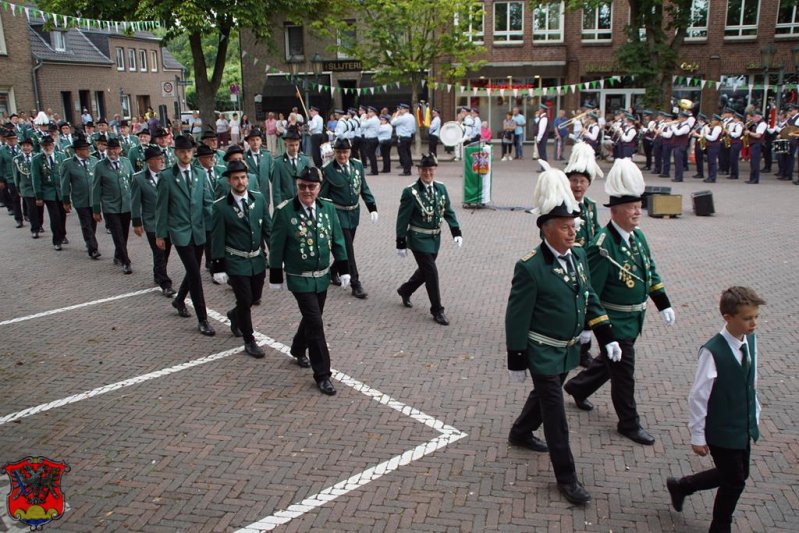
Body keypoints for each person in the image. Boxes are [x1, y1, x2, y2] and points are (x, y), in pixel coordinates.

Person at [506, 161, 620, 506]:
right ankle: (566, 478)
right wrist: (517, 358)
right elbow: (516, 315)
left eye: (574, 225)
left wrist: (607, 335)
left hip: (568, 351)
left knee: (549, 394)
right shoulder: (530, 267)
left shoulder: (580, 256)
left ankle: (521, 430)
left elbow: (590, 298)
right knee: (556, 416)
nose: (573, 232)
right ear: (548, 229)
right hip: (542, 351)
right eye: (567, 227)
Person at [563, 158, 675, 446]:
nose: (638, 210)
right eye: (631, 206)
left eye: (639, 205)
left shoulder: (637, 237)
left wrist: (663, 303)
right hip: (612, 323)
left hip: (633, 319)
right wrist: (590, 327)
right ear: (614, 211)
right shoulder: (602, 246)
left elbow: (649, 271)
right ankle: (629, 423)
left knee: (611, 363)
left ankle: (578, 387)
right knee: (624, 374)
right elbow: (590, 290)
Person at [666, 286, 765, 533]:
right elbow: (699, 396)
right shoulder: (713, 352)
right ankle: (720, 526)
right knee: (734, 481)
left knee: (734, 473)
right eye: (747, 318)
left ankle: (682, 486)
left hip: (742, 426)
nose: (753, 323)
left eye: (755, 317)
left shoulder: (750, 341)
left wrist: (754, 414)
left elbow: (750, 381)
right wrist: (697, 435)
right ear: (728, 318)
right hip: (721, 429)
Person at [269, 166, 349, 396]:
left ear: (319, 187)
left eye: (311, 187)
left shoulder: (328, 209)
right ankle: (322, 373)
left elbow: (338, 240)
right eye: (302, 186)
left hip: (322, 276)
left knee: (313, 318)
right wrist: (276, 274)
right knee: (315, 322)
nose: (306, 191)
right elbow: (277, 246)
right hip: (299, 278)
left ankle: (297, 348)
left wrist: (344, 269)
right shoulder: (285, 212)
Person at [210, 160, 272, 358]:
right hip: (235, 260)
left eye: (243, 177)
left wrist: (278, 255)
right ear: (229, 181)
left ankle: (234, 315)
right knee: (244, 300)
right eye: (236, 178)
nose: (240, 181)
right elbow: (217, 237)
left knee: (254, 297)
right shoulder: (221, 207)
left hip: (257, 259)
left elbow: (268, 229)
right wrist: (218, 265)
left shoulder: (259, 199)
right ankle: (249, 340)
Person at [155, 135, 215, 337]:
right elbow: (161, 207)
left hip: (198, 230)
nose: (186, 155)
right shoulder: (166, 177)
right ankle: (203, 319)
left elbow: (207, 202)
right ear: (175, 153)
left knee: (193, 270)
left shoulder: (199, 173)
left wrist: (215, 224)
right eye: (182, 152)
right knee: (195, 274)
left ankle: (179, 300)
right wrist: (160, 234)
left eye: (189, 151)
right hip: (179, 232)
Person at [395, 153, 462, 326]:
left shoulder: (441, 188)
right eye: (424, 170)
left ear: (435, 170)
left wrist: (456, 231)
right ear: (419, 170)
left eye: (431, 169)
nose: (428, 173)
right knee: (431, 273)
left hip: (434, 239)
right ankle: (437, 310)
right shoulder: (410, 192)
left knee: (425, 272)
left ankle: (405, 290)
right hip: (418, 239)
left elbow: (447, 211)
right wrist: (400, 241)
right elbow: (402, 218)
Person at [320, 138, 378, 299]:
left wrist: (372, 207)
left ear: (350, 152)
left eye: (345, 152)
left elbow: (363, 187)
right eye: (339, 152)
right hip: (338, 215)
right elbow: (322, 196)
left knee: (346, 247)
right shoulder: (328, 170)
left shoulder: (357, 166)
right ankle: (355, 283)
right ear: (334, 153)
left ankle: (333, 272)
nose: (342, 155)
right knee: (349, 250)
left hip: (353, 213)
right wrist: (322, 217)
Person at [563, 142, 604, 368]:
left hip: (588, 265)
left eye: (582, 181)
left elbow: (595, 230)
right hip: (568, 263)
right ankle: (571, 347)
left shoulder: (590, 205)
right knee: (573, 307)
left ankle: (584, 350)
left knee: (589, 305)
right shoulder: (563, 203)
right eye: (574, 180)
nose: (578, 185)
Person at [132, 146, 175, 297]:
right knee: (159, 251)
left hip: (167, 221)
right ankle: (165, 283)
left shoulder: (167, 176)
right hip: (151, 222)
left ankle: (158, 273)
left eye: (162, 158)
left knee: (166, 251)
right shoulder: (139, 178)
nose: (162, 161)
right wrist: (137, 223)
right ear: (149, 162)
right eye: (158, 159)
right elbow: (135, 202)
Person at [92, 138, 134, 274]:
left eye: (115, 149)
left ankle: (118, 254)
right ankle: (125, 261)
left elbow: (133, 182)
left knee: (125, 233)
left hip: (126, 205)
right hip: (110, 206)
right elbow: (96, 188)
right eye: (110, 149)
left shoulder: (126, 162)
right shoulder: (100, 166)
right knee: (117, 234)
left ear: (120, 149)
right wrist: (96, 209)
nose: (113, 152)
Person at [61, 136, 101, 259]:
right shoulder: (68, 164)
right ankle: (93, 248)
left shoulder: (94, 160)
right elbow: (65, 183)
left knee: (93, 223)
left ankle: (90, 241)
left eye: (88, 148)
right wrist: (66, 200)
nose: (88, 151)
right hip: (80, 199)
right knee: (86, 224)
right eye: (85, 149)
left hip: (93, 199)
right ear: (77, 151)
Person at [32, 136, 68, 250]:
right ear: (42, 147)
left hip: (61, 191)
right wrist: (39, 196)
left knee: (63, 215)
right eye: (45, 146)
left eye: (49, 145)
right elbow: (36, 178)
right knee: (55, 216)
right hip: (48, 192)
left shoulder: (61, 156)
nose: (48, 148)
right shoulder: (37, 159)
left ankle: (62, 234)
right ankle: (57, 240)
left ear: (53, 145)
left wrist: (68, 192)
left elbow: (66, 175)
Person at [270, 126, 307, 206]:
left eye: (297, 145)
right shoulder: (278, 163)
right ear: (285, 144)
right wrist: (278, 207)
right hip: (286, 203)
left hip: (303, 203)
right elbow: (276, 189)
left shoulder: (305, 160)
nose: (294, 148)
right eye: (291, 145)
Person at [13, 137, 40, 236]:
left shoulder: (37, 157)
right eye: (24, 146)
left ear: (32, 147)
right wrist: (18, 187)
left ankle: (39, 224)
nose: (26, 148)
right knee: (31, 209)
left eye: (28, 146)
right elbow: (16, 175)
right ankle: (34, 229)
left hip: (37, 186)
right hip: (26, 187)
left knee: (39, 208)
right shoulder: (17, 159)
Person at [0, 130, 24, 227]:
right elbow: (0, 166)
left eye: (14, 139)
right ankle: (18, 218)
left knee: (27, 198)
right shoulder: (2, 150)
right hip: (10, 178)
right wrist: (1, 179)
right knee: (15, 198)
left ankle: (27, 214)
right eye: (10, 139)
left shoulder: (21, 148)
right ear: (6, 140)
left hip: (23, 177)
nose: (12, 141)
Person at [243, 128, 273, 202]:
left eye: (257, 139)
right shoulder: (244, 157)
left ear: (261, 141)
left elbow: (272, 175)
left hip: (265, 194)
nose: (255, 142)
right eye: (252, 140)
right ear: (248, 142)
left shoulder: (267, 155)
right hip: (251, 193)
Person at [391, 103, 416, 175]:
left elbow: (393, 122)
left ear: (406, 109)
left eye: (401, 109)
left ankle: (406, 171)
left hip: (403, 137)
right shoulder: (411, 116)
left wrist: (396, 114)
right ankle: (408, 170)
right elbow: (414, 129)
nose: (400, 110)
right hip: (409, 136)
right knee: (407, 154)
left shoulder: (403, 117)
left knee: (404, 155)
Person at [745, 112, 767, 184]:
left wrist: (749, 133)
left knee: (755, 162)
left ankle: (755, 179)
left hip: (757, 144)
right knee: (752, 162)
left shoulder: (762, 124)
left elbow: (758, 135)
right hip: (753, 144)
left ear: (759, 117)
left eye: (754, 117)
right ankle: (752, 178)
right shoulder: (756, 124)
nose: (752, 119)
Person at [702, 114, 723, 184]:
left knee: (712, 162)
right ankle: (710, 176)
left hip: (714, 146)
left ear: (717, 121)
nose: (712, 121)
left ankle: (712, 177)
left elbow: (713, 138)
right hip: (711, 146)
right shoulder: (713, 127)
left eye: (713, 120)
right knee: (710, 162)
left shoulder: (718, 128)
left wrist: (705, 135)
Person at [360, 106, 380, 176]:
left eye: (369, 112)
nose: (368, 113)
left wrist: (363, 118)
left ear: (373, 113)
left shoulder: (372, 120)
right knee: (371, 155)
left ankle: (374, 171)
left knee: (371, 155)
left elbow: (362, 125)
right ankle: (374, 170)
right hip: (373, 139)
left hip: (371, 139)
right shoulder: (375, 119)